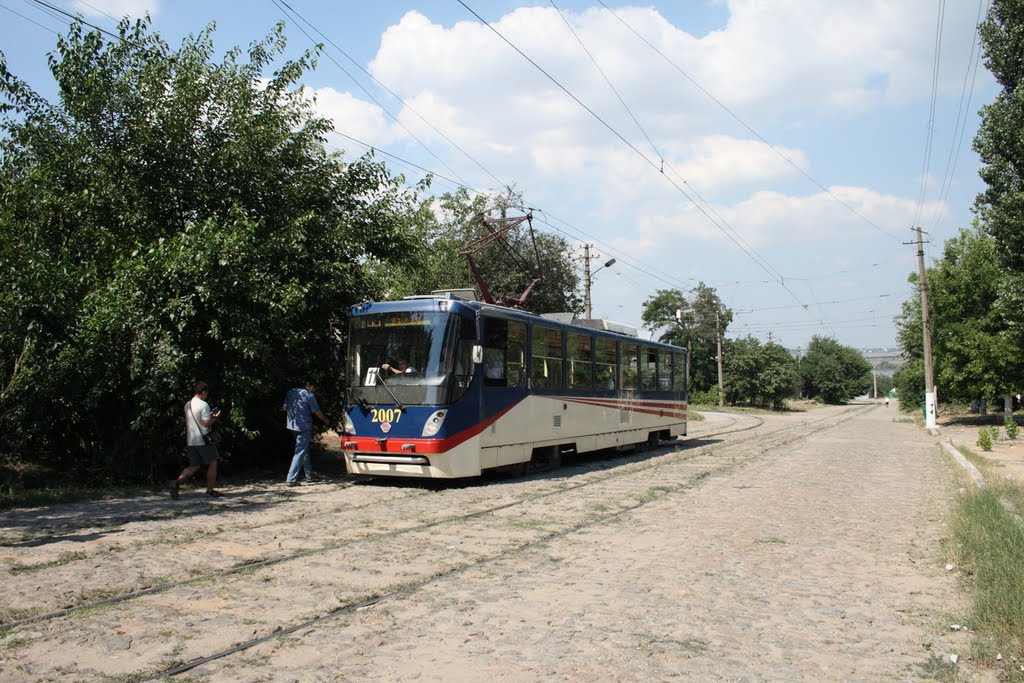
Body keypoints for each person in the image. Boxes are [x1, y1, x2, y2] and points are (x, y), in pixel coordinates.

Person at [172, 380, 222, 499]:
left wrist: (209, 416)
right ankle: (210, 490)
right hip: (203, 440)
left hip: (191, 439)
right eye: (206, 393)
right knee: (213, 462)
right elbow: (205, 423)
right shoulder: (203, 404)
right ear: (203, 392)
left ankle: (176, 483)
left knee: (194, 465)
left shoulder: (187, 404)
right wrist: (215, 418)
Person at [283, 380, 330, 486]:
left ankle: (309, 476)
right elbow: (316, 412)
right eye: (315, 388)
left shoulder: (291, 392)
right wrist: (326, 420)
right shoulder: (310, 396)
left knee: (304, 449)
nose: (315, 390)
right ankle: (291, 479)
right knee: (300, 452)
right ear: (309, 386)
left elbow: (284, 407)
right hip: (304, 427)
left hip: (291, 426)